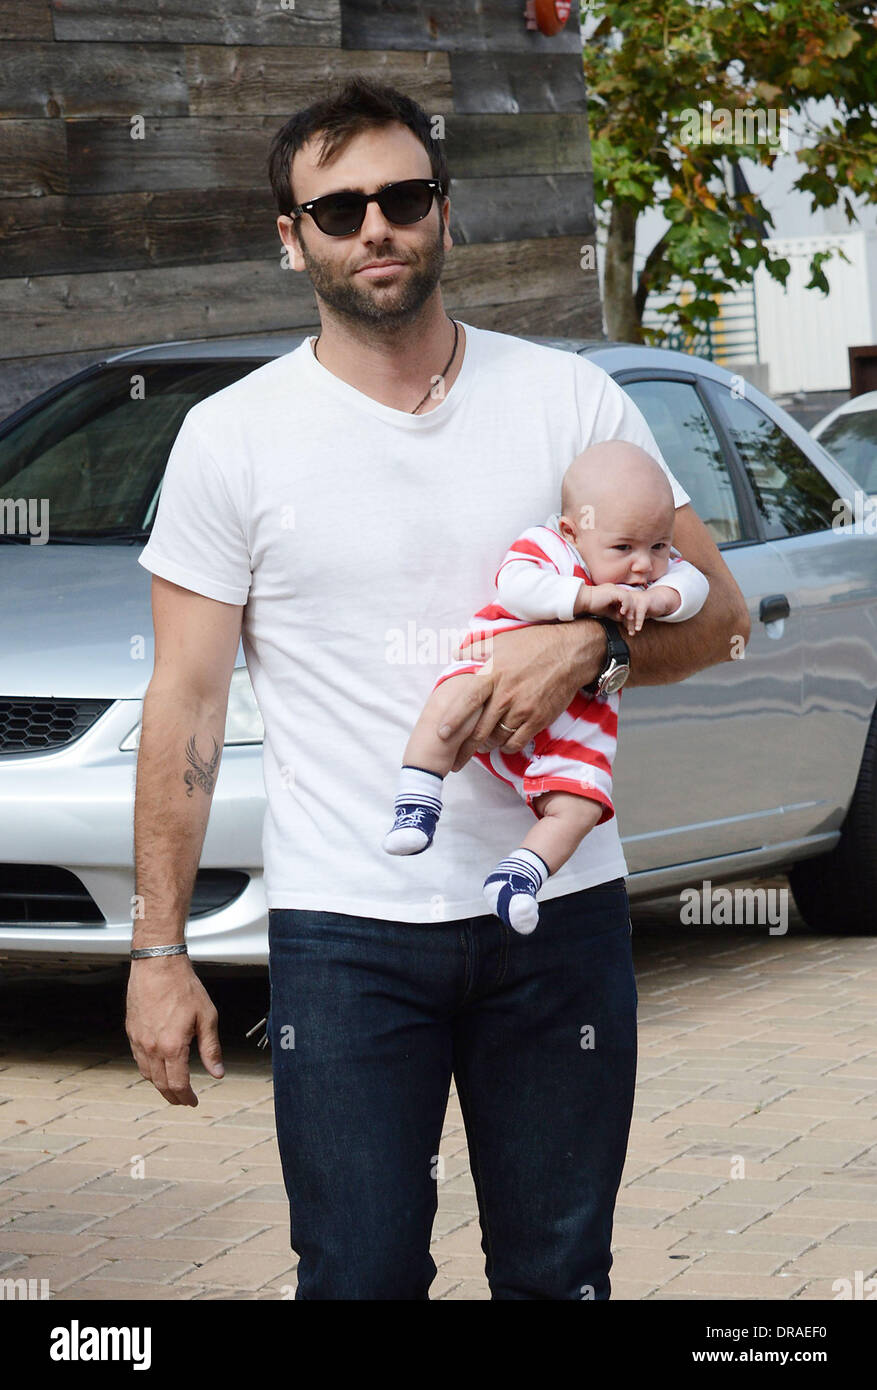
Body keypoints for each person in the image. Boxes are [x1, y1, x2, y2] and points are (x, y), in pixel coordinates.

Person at [126, 75, 750, 1300]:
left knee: (560, 1271)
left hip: (555, 918)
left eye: (404, 196)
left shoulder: (567, 399)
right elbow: (186, 706)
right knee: (355, 1276)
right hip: (345, 933)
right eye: (340, 206)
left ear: (444, 215)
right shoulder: (230, 438)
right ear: (291, 236)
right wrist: (159, 948)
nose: (377, 227)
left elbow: (719, 617)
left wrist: (591, 647)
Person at [382, 441, 710, 935]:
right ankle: (416, 802)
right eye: (624, 549)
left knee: (583, 803)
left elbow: (698, 584)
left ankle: (519, 876)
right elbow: (514, 583)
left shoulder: (649, 576)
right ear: (572, 530)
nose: (643, 566)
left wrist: (664, 599)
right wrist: (585, 596)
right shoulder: (550, 547)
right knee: (446, 710)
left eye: (658, 547)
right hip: (491, 675)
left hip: (578, 725)